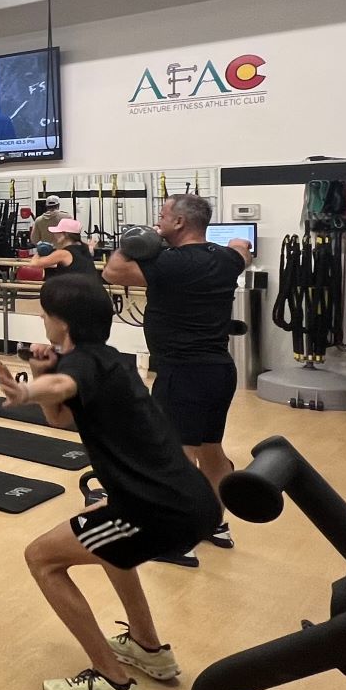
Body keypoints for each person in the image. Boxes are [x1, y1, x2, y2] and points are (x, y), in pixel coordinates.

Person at [0, 272, 219, 690]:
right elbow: (60, 419)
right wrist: (42, 368)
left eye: (45, 314)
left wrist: (26, 389)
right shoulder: (109, 360)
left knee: (41, 557)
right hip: (191, 501)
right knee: (110, 542)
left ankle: (112, 682)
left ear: (62, 324)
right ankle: (147, 645)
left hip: (157, 511)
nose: (41, 319)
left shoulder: (79, 368)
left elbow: (59, 390)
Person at [102, 194, 252, 551]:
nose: (159, 219)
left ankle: (177, 532)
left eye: (164, 215)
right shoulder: (227, 259)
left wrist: (133, 241)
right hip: (219, 371)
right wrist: (235, 244)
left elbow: (112, 271)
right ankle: (215, 523)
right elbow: (243, 249)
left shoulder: (170, 264)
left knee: (176, 456)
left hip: (181, 372)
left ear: (181, 223)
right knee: (212, 451)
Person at [28, 216, 94, 274]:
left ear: (65, 234)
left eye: (58, 232)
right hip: (91, 286)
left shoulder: (63, 253)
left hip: (76, 287)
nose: (55, 234)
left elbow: (34, 264)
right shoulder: (85, 247)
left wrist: (39, 251)